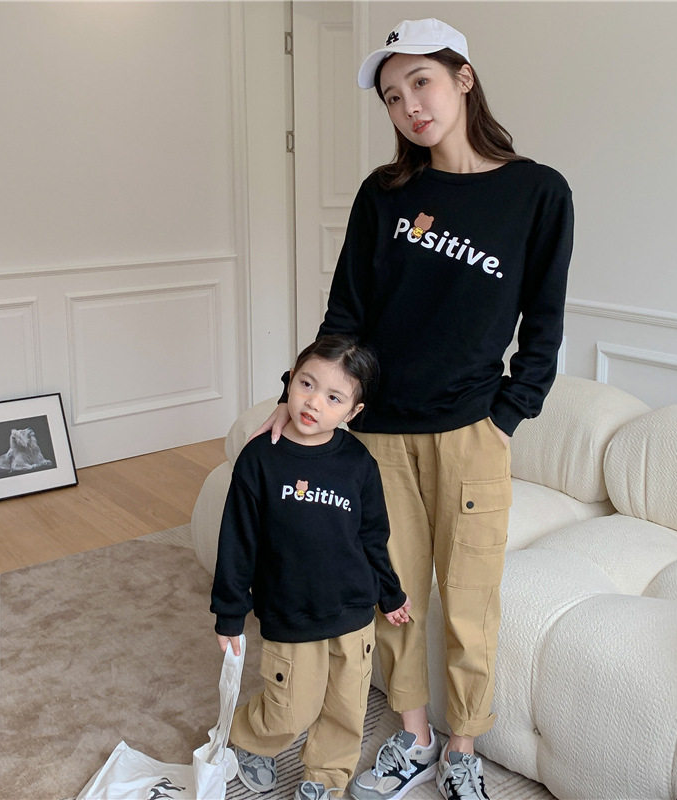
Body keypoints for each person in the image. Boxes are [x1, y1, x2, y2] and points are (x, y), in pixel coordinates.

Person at [254, 17, 573, 800]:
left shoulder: (537, 193)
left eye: (420, 83)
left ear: (464, 78)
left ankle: (463, 746)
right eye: (392, 97)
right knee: (391, 597)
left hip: (472, 434)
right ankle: (416, 736)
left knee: (469, 603)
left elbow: (545, 322)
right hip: (378, 435)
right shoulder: (387, 194)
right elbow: (347, 311)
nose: (409, 107)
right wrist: (303, 396)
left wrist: (508, 414)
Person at [211, 334, 411, 800]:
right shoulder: (260, 458)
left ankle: (325, 780)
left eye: (333, 397)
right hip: (290, 612)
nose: (313, 402)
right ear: (290, 382)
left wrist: (390, 593)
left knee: (346, 709)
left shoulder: (358, 463)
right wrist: (229, 611)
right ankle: (248, 740)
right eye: (306, 384)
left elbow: (373, 537)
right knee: (291, 707)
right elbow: (237, 541)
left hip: (354, 613)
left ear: (352, 413)